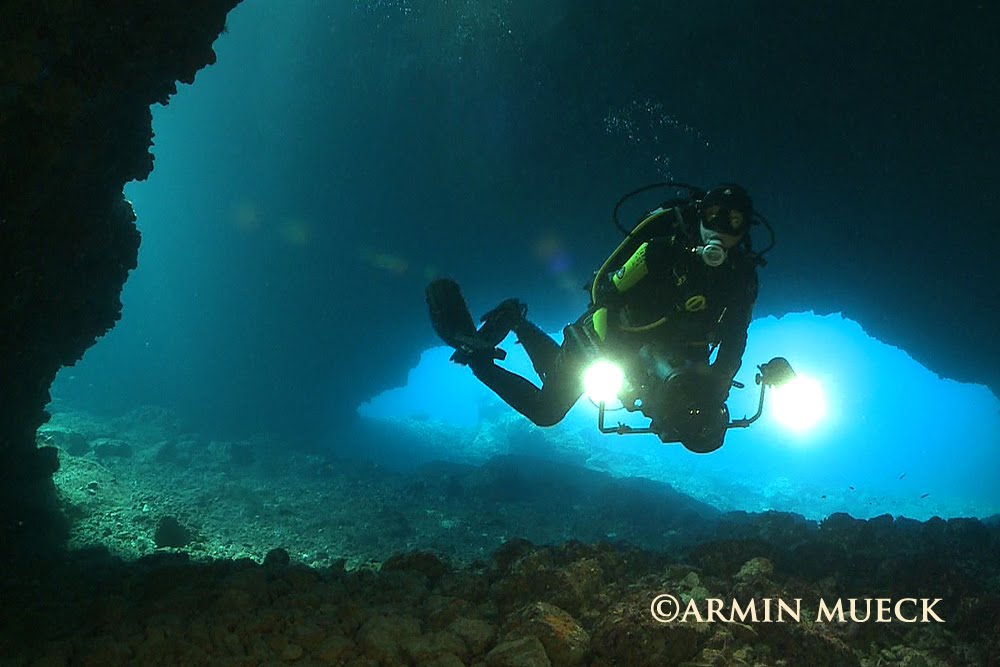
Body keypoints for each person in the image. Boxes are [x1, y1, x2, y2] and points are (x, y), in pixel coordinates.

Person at [427, 183, 762, 452]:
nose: (720, 229)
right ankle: (480, 362)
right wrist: (612, 353)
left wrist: (718, 385)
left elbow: (736, 335)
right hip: (605, 339)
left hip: (676, 357)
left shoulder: (742, 278)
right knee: (548, 410)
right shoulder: (660, 251)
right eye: (714, 215)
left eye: (733, 221)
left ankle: (515, 318)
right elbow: (605, 293)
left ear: (745, 230)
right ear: (700, 216)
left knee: (557, 370)